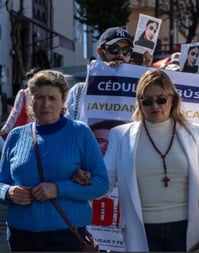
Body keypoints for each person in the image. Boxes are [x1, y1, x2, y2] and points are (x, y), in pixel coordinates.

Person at [104, 69, 199, 251]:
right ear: (139, 103)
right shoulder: (120, 135)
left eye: (161, 99)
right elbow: (104, 184)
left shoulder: (194, 133)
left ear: (172, 99)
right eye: (147, 101)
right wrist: (83, 180)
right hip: (141, 230)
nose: (155, 106)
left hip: (184, 229)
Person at [0, 70, 109, 251]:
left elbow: (101, 183)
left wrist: (58, 189)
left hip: (66, 236)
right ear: (30, 100)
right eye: (39, 97)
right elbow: (1, 182)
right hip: (21, 235)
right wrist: (8, 192)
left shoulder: (80, 133)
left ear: (63, 100)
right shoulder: (16, 136)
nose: (45, 104)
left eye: (52, 98)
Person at [66, 26, 133, 120]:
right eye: (114, 49)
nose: (120, 55)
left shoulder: (137, 91)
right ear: (100, 52)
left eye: (126, 51)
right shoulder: (79, 91)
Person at [0, 67, 41, 139]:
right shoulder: (25, 94)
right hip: (39, 131)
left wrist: (5, 130)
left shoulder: (23, 93)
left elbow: (15, 114)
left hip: (27, 131)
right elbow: (15, 114)